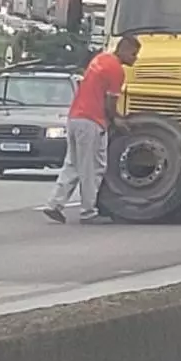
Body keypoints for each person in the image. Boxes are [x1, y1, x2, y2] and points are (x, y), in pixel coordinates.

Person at [43, 35, 141, 224]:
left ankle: (54, 204)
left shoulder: (100, 59)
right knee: (93, 168)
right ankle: (88, 211)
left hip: (75, 117)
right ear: (123, 49)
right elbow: (110, 103)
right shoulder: (116, 70)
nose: (135, 58)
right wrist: (118, 120)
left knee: (73, 164)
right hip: (92, 121)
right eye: (133, 54)